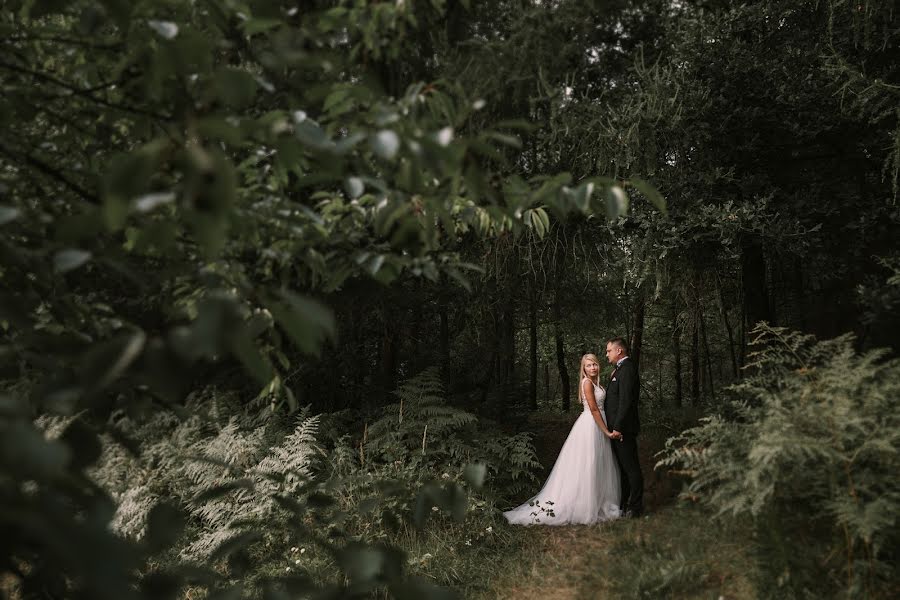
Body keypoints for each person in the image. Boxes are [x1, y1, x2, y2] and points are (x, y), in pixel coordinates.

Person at [503, 353, 621, 525]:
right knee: (588, 463)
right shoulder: (587, 383)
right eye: (588, 365)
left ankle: (599, 502)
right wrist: (607, 431)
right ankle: (584, 506)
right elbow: (595, 410)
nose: (593, 368)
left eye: (594, 364)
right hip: (592, 425)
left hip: (599, 423)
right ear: (584, 369)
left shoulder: (597, 383)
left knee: (598, 463)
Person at [604, 337, 644, 517]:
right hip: (615, 429)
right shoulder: (619, 370)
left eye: (608, 351)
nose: (607, 354)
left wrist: (618, 427)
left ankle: (635, 507)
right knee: (622, 468)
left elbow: (626, 401)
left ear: (619, 351)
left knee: (631, 468)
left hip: (623, 429)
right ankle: (623, 504)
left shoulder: (627, 369)